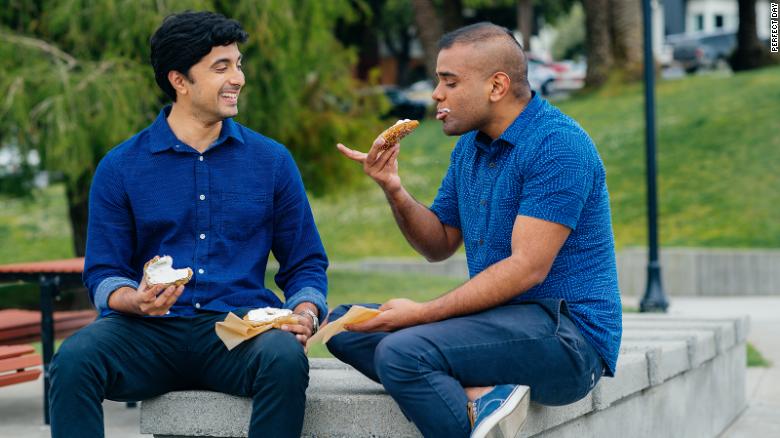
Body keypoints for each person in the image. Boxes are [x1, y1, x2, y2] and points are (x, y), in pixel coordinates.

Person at [329, 22, 622, 438]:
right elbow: (439, 243)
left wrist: (422, 315)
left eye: (450, 82)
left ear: (497, 86)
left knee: (400, 352)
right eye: (438, 81)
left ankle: (469, 400)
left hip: (569, 341)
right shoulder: (470, 147)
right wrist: (393, 187)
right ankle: (480, 392)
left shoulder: (558, 146)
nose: (436, 94)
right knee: (346, 326)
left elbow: (526, 269)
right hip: (502, 326)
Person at [48, 11, 328, 438]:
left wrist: (305, 313)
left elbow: (305, 263)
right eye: (221, 67)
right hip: (148, 333)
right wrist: (135, 300)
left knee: (284, 357)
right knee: (72, 360)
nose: (238, 78)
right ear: (179, 80)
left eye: (238, 64)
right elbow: (104, 273)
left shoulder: (271, 161)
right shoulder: (121, 167)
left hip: (239, 330)